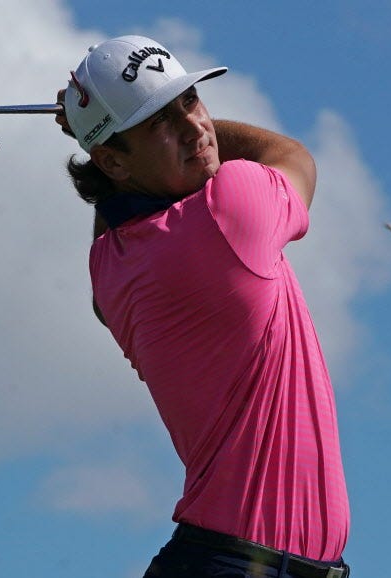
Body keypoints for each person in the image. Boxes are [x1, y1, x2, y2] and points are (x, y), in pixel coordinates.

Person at [55, 35, 351, 578]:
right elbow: (292, 157)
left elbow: (115, 217)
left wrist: (99, 139)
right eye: (160, 123)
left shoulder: (109, 269)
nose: (194, 127)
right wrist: (93, 134)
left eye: (190, 101)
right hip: (240, 564)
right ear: (113, 161)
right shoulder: (227, 207)